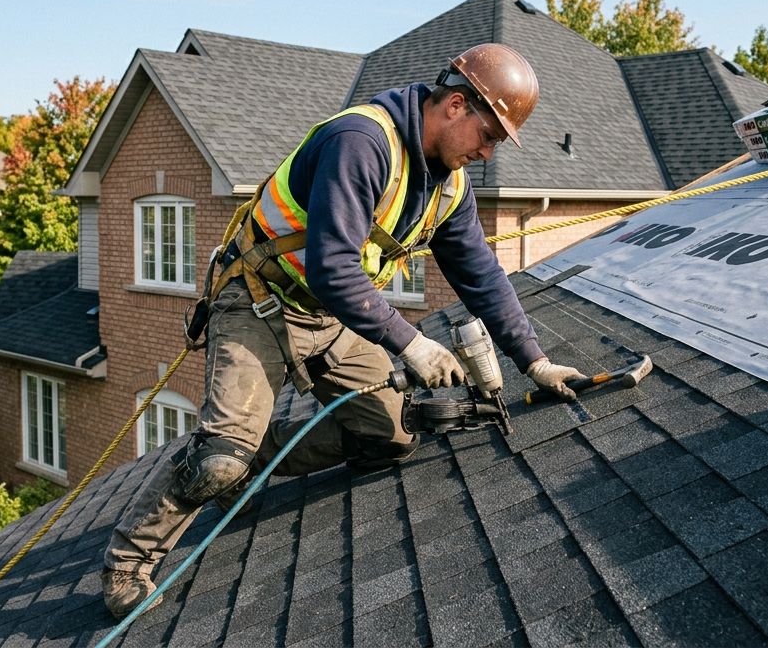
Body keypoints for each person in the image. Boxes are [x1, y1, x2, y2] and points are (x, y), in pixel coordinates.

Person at [101, 43, 586, 617]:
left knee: (392, 436)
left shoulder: (448, 186)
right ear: (456, 105)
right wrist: (411, 342)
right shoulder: (362, 142)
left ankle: (252, 463)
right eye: (489, 135)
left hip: (334, 316)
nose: (487, 152)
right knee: (218, 457)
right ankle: (129, 559)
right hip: (260, 299)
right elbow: (332, 266)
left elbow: (482, 276)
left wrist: (534, 361)